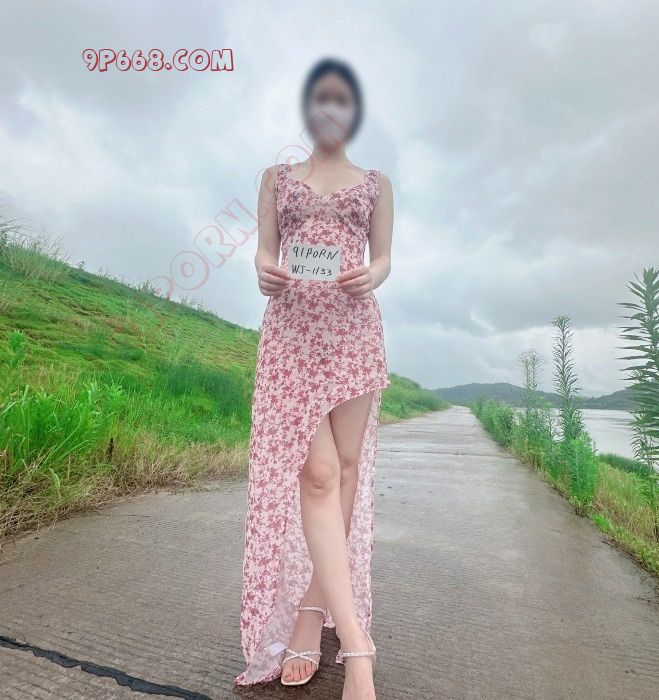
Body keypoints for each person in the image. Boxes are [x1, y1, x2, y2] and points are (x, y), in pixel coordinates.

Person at [235, 57, 394, 700]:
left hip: (353, 334)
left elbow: (384, 258)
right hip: (293, 336)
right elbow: (263, 251)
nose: (331, 108)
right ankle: (358, 648)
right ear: (307, 107)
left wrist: (370, 275)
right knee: (320, 473)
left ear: (354, 110)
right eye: (320, 98)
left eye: (341, 99)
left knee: (347, 470)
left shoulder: (376, 183)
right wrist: (263, 271)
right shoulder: (276, 178)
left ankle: (311, 611)